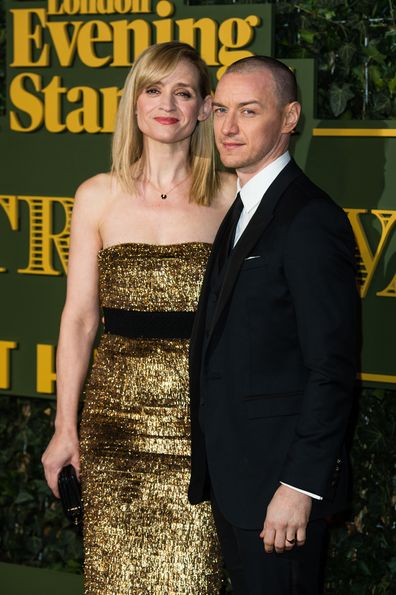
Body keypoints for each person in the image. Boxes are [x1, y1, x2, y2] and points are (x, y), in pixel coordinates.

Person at [41, 41, 235, 593]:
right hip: (114, 429)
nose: (167, 103)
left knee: (195, 579)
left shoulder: (231, 196)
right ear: (134, 102)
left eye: (184, 91)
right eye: (153, 89)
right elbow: (79, 320)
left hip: (201, 429)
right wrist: (65, 427)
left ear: (203, 107)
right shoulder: (97, 196)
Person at [189, 56, 358, 595]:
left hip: (278, 490)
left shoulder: (309, 217)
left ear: (289, 118)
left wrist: (299, 486)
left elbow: (332, 367)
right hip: (238, 479)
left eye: (249, 110)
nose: (228, 127)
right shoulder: (243, 208)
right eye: (220, 110)